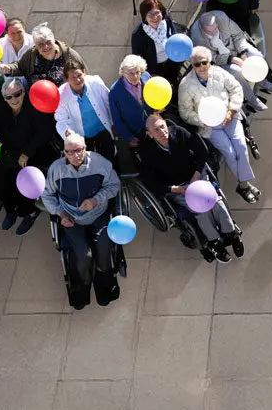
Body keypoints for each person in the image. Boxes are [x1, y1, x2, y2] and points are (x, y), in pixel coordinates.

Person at [138, 112, 243, 262]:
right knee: (200, 207)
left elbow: (202, 151)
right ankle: (214, 242)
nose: (162, 132)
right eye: (156, 130)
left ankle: (231, 233)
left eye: (162, 127)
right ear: (149, 134)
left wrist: (196, 175)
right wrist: (175, 189)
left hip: (195, 176)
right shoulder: (147, 152)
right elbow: (150, 182)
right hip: (177, 188)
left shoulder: (179, 133)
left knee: (215, 200)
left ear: (166, 125)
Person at [41, 132, 121, 309]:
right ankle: (81, 289)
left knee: (103, 250)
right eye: (70, 152)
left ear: (86, 148)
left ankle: (104, 285)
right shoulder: (57, 169)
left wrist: (96, 200)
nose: (75, 155)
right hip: (72, 220)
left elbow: (114, 185)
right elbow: (47, 195)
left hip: (98, 216)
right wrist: (61, 214)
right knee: (83, 257)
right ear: (64, 153)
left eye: (79, 150)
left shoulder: (100, 163)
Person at [178, 46, 260, 203]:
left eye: (204, 63)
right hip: (209, 126)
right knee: (229, 152)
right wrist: (206, 120)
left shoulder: (220, 73)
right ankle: (244, 185)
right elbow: (185, 113)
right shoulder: (186, 84)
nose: (201, 67)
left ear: (209, 62)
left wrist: (232, 110)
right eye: (197, 64)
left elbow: (236, 89)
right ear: (192, 65)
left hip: (229, 117)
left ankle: (243, 185)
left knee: (241, 147)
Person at [0, 77, 56, 236]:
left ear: (24, 92)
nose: (14, 99)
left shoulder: (34, 108)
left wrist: (27, 152)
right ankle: (10, 211)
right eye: (9, 97)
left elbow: (44, 132)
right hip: (9, 152)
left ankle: (29, 213)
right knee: (1, 182)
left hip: (33, 153)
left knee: (24, 185)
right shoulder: (2, 108)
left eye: (17, 94)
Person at [191, 10, 272, 111]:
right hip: (221, 60)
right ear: (203, 30)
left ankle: (261, 80)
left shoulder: (221, 17)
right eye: (210, 32)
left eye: (215, 29)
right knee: (237, 71)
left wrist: (242, 52)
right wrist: (232, 59)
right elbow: (211, 58)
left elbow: (238, 35)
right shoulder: (197, 37)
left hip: (236, 46)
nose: (214, 33)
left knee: (256, 55)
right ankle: (251, 98)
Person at [55, 59, 116, 161]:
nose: (78, 80)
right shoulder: (61, 94)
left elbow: (109, 104)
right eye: (73, 77)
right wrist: (67, 132)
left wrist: (113, 123)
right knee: (88, 166)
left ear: (84, 72)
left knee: (110, 161)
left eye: (79, 75)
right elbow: (60, 121)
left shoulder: (96, 82)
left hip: (103, 131)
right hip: (81, 137)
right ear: (66, 79)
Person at [0, 23, 80, 87]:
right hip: (37, 101)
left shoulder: (69, 55)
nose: (45, 47)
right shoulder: (32, 54)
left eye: (48, 42)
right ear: (36, 46)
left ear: (53, 40)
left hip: (63, 101)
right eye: (40, 45)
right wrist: (9, 68)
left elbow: (82, 75)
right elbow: (20, 67)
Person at [108, 54, 151, 160]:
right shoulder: (115, 91)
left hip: (153, 127)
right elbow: (116, 119)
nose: (135, 76)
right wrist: (129, 137)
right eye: (131, 73)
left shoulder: (146, 77)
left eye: (137, 72)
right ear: (123, 73)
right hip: (136, 132)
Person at [130, 0, 181, 84]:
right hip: (154, 70)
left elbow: (173, 34)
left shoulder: (167, 19)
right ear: (144, 17)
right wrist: (150, 74)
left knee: (174, 82)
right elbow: (138, 60)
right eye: (150, 14)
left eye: (157, 13)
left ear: (162, 12)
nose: (155, 17)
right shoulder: (138, 36)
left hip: (171, 61)